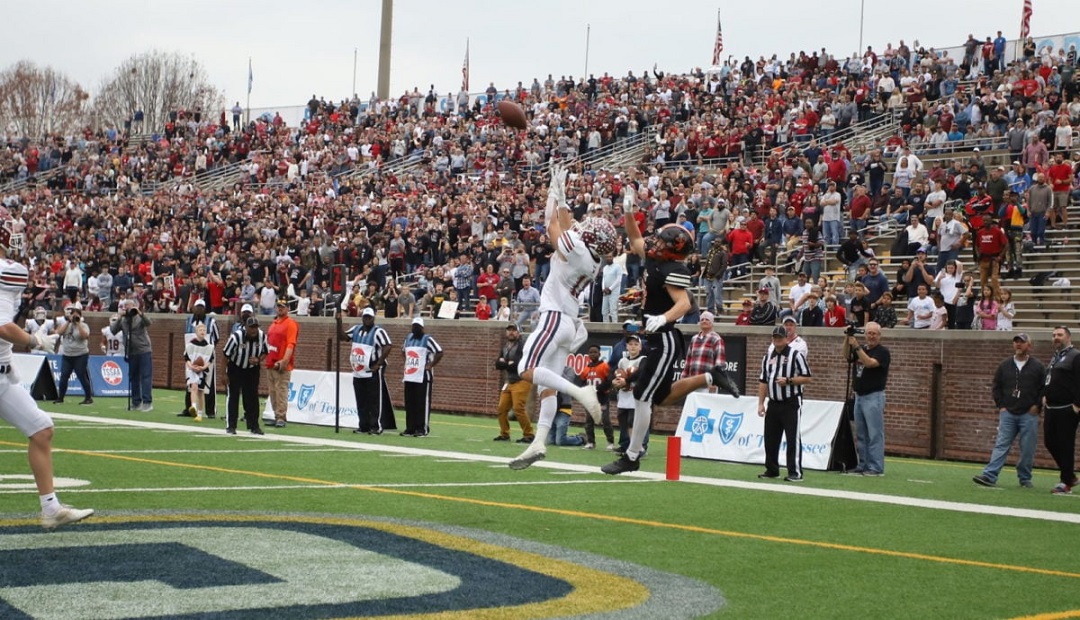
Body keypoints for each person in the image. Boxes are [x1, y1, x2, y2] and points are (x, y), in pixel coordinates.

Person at [601, 186, 739, 475]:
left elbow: (684, 303)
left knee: (641, 395)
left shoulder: (671, 269)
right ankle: (711, 375)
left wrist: (663, 319)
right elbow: (635, 237)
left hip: (663, 339)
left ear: (674, 249)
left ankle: (632, 455)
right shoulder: (655, 259)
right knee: (660, 397)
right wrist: (628, 211)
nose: (656, 244)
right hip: (655, 336)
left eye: (663, 242)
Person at [509, 166, 615, 470]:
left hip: (554, 317)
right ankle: (539, 442)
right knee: (547, 388)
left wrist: (553, 196)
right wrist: (563, 196)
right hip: (568, 324)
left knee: (526, 368)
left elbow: (553, 227)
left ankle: (580, 391)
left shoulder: (579, 249)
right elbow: (566, 224)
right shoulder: (591, 259)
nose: (584, 228)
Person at [0, 209, 93, 530]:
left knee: (41, 429)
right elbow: (1, 325)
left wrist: (8, 358)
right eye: (8, 228)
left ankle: (50, 508)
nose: (13, 234)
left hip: (1, 373)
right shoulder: (7, 271)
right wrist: (34, 340)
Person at [972, 333, 1044, 488]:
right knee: (1001, 444)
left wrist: (1037, 406)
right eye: (1016, 342)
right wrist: (1001, 406)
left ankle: (1025, 478)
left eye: (1022, 342)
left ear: (1029, 346)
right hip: (1008, 413)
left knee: (1027, 449)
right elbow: (996, 386)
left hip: (1029, 414)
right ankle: (990, 475)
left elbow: (1043, 388)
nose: (1018, 344)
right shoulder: (1004, 365)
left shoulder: (1037, 366)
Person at [757, 326, 813, 482]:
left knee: (792, 437)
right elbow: (763, 381)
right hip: (773, 403)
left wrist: (789, 381)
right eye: (774, 337)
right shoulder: (767, 357)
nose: (777, 340)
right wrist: (761, 403)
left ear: (786, 339)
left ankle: (795, 472)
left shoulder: (796, 355)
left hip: (791, 402)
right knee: (770, 438)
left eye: (780, 337)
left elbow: (807, 377)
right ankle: (772, 469)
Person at [842, 321, 891, 476]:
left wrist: (856, 346)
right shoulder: (861, 348)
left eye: (874, 334)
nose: (871, 337)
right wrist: (847, 338)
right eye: (869, 333)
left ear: (879, 336)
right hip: (859, 396)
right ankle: (863, 464)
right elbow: (846, 355)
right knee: (861, 433)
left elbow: (869, 363)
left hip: (874, 397)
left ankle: (876, 467)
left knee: (875, 433)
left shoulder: (882, 352)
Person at [338, 307, 395, 435]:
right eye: (365, 317)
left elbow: (388, 345)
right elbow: (343, 337)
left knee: (374, 399)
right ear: (362, 317)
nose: (367, 319)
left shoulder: (378, 331)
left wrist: (379, 362)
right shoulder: (356, 329)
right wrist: (338, 322)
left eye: (369, 317)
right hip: (359, 370)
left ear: (373, 318)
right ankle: (363, 425)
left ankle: (376, 425)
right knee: (361, 399)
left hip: (372, 370)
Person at [1042, 326, 1080, 495]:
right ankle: (1070, 475)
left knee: (1066, 445)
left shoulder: (1075, 356)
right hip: (1051, 407)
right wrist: (1045, 394)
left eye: (1059, 335)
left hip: (1067, 408)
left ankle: (1065, 483)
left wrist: (1077, 405)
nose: (1055, 337)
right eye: (1053, 335)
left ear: (1068, 337)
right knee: (1050, 442)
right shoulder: (1056, 357)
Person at [222, 316, 268, 436]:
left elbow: (265, 352)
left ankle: (254, 426)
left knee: (252, 397)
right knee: (233, 396)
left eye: (255, 327)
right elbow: (225, 355)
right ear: (246, 327)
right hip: (235, 367)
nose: (254, 330)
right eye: (251, 327)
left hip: (252, 370)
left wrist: (258, 360)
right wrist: (224, 374)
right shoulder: (236, 336)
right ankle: (231, 426)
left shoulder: (262, 336)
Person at [400, 317, 443, 437]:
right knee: (410, 403)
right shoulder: (408, 338)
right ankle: (410, 428)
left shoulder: (427, 339)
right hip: (410, 375)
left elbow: (439, 352)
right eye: (414, 326)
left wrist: (430, 365)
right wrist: (407, 362)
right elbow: (403, 351)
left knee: (422, 403)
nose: (415, 328)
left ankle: (422, 428)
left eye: (418, 326)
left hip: (423, 376)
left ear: (422, 328)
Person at [179, 299, 221, 419]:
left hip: (206, 356)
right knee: (190, 383)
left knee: (208, 384)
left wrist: (207, 352)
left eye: (201, 307)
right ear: (193, 308)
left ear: (205, 309)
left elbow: (216, 338)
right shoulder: (188, 321)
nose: (199, 309)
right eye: (197, 307)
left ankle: (210, 410)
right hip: (192, 356)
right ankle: (189, 408)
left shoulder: (211, 322)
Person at [493, 323, 534, 443]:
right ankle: (504, 434)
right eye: (509, 330)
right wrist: (507, 363)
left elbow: (516, 365)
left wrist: (505, 363)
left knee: (518, 408)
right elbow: (497, 365)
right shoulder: (505, 346)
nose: (511, 332)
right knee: (501, 408)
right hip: (509, 381)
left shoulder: (522, 346)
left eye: (514, 330)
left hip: (522, 380)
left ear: (518, 332)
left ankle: (529, 434)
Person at [112, 299, 153, 411]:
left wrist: (140, 312)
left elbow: (149, 323)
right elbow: (113, 330)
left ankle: (147, 402)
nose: (129, 309)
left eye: (131, 306)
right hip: (131, 351)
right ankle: (136, 402)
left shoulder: (140, 317)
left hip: (144, 350)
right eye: (126, 307)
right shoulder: (124, 320)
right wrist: (119, 317)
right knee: (133, 377)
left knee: (145, 376)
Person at [265, 299, 299, 428]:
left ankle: (281, 416)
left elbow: (291, 344)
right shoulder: (273, 323)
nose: (280, 308)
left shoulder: (290, 324)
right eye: (278, 306)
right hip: (270, 362)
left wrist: (284, 361)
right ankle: (276, 414)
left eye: (283, 307)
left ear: (288, 309)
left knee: (281, 390)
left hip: (281, 364)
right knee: (273, 391)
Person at [52, 306, 93, 405]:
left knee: (81, 375)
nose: (74, 318)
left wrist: (78, 323)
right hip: (67, 355)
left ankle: (88, 397)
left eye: (76, 316)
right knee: (64, 376)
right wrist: (68, 322)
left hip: (80, 355)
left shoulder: (84, 325)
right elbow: (58, 332)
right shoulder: (66, 325)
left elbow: (85, 336)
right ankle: (60, 397)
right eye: (72, 315)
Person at [578, 343, 614, 450]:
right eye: (590, 352)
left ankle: (610, 442)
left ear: (599, 353)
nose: (593, 354)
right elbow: (583, 383)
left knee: (605, 421)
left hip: (602, 398)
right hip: (590, 399)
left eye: (595, 352)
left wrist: (598, 389)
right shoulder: (585, 369)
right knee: (589, 421)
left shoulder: (604, 366)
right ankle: (590, 442)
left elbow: (609, 381)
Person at [548, 367, 587, 447]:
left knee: (560, 441)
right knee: (550, 441)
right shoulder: (550, 368)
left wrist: (557, 371)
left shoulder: (569, 370)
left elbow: (567, 383)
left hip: (564, 408)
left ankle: (581, 438)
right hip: (551, 408)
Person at [183, 323, 214, 422]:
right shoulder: (190, 344)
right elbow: (186, 358)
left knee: (200, 392)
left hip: (202, 371)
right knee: (193, 386)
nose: (202, 332)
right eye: (200, 330)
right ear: (196, 332)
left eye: (204, 330)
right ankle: (193, 407)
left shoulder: (208, 347)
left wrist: (202, 367)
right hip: (192, 369)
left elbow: (210, 361)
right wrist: (191, 366)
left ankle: (200, 414)